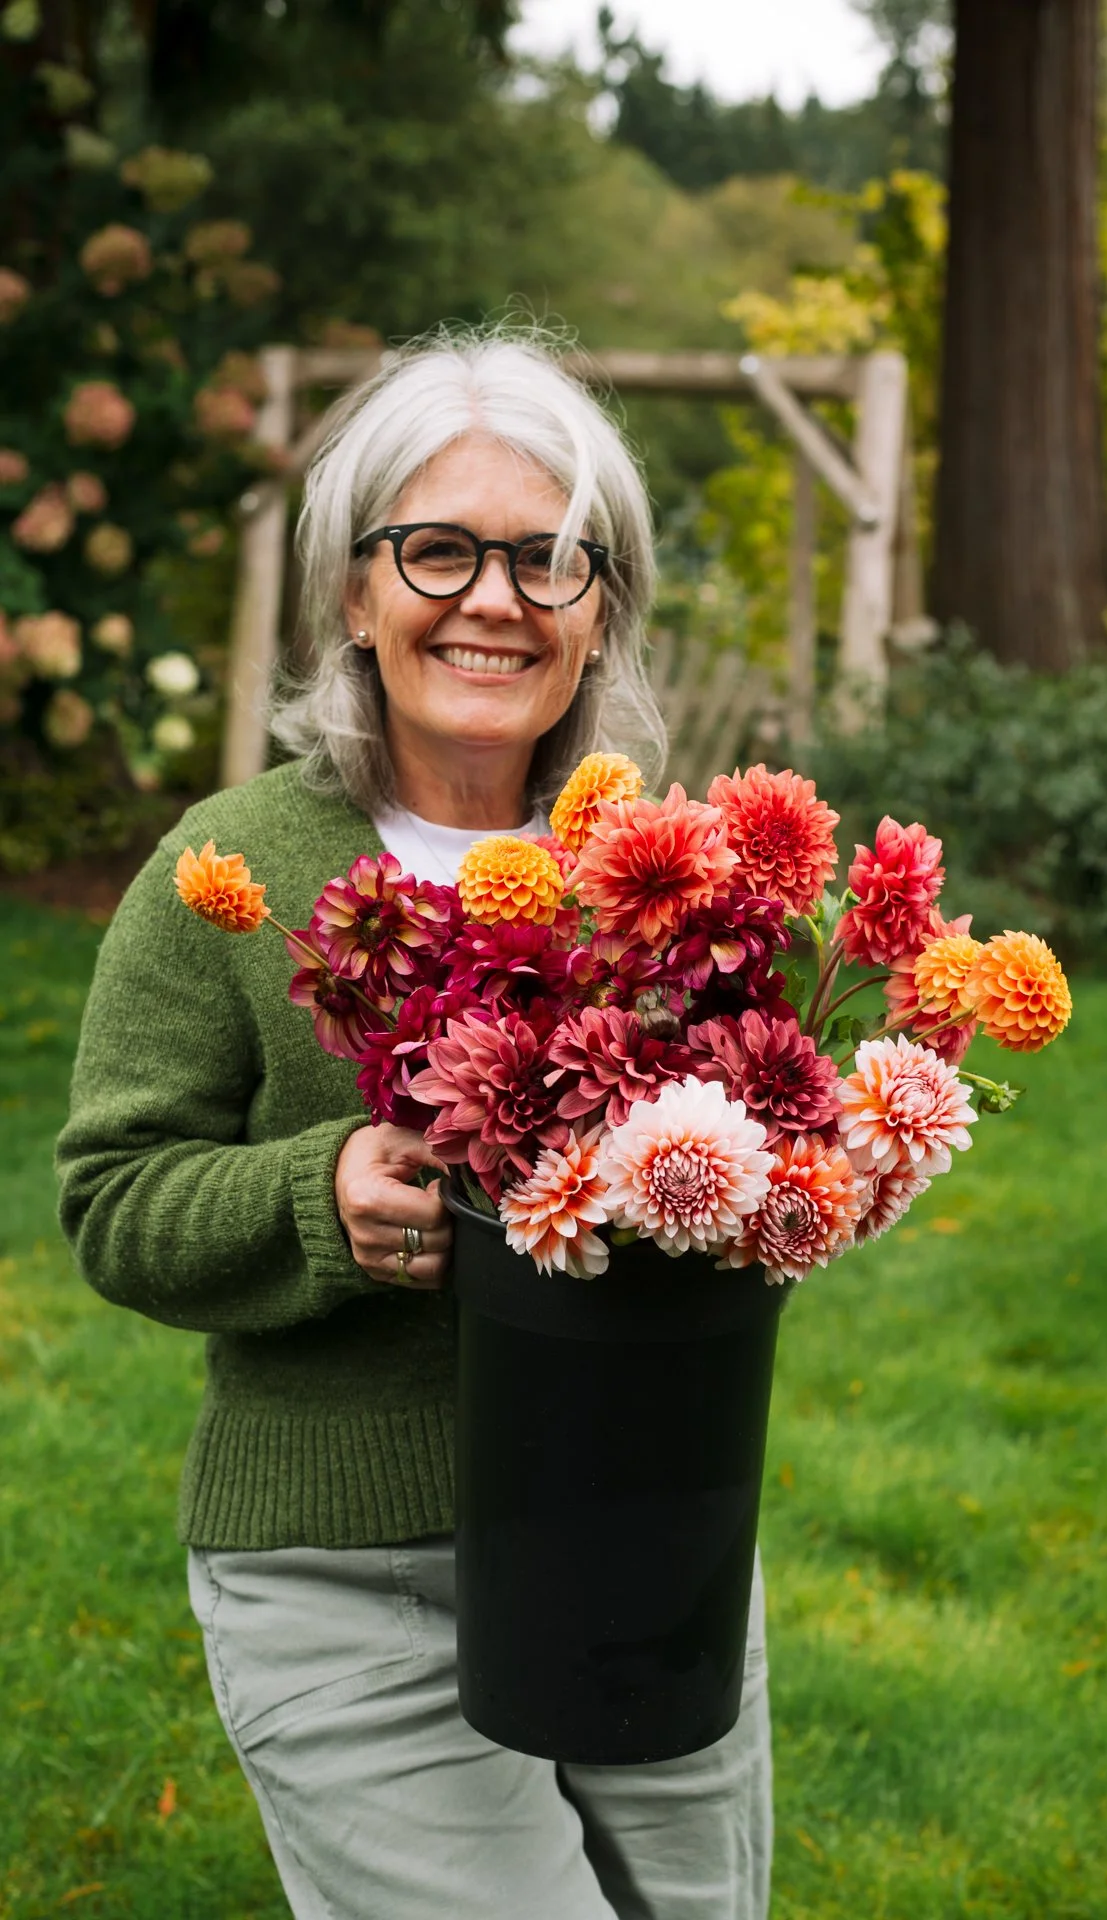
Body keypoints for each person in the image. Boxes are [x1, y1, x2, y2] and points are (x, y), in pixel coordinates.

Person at [55, 331, 773, 1920]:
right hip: (343, 1575)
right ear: (352, 596)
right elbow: (113, 1194)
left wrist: (790, 1179)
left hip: (653, 1534)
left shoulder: (676, 880)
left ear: (605, 607)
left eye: (547, 558)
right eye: (437, 549)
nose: (495, 598)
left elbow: (754, 1155)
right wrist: (325, 1194)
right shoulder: (227, 868)